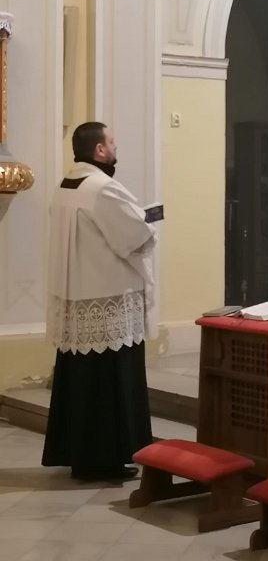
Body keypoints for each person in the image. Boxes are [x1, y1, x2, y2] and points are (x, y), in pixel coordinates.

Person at [42, 122, 158, 480]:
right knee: (109, 385)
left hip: (77, 298)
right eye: (112, 141)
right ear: (99, 150)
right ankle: (106, 459)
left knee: (81, 382)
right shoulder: (102, 188)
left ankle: (79, 453)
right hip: (107, 300)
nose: (115, 146)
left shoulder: (66, 184)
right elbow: (135, 235)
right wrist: (148, 221)